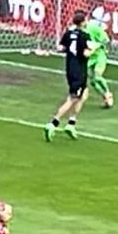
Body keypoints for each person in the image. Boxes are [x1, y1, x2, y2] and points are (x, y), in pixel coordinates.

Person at [45, 11, 88, 142]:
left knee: (84, 94)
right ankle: (53, 123)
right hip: (79, 71)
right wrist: (96, 48)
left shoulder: (68, 33)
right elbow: (86, 54)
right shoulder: (84, 36)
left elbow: (60, 48)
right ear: (83, 22)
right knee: (72, 99)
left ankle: (71, 123)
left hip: (70, 69)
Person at [79, 17, 114, 111]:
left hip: (99, 55)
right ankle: (105, 97)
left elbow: (105, 39)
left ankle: (108, 93)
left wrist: (96, 46)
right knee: (93, 81)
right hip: (88, 58)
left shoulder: (93, 28)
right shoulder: (77, 31)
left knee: (97, 76)